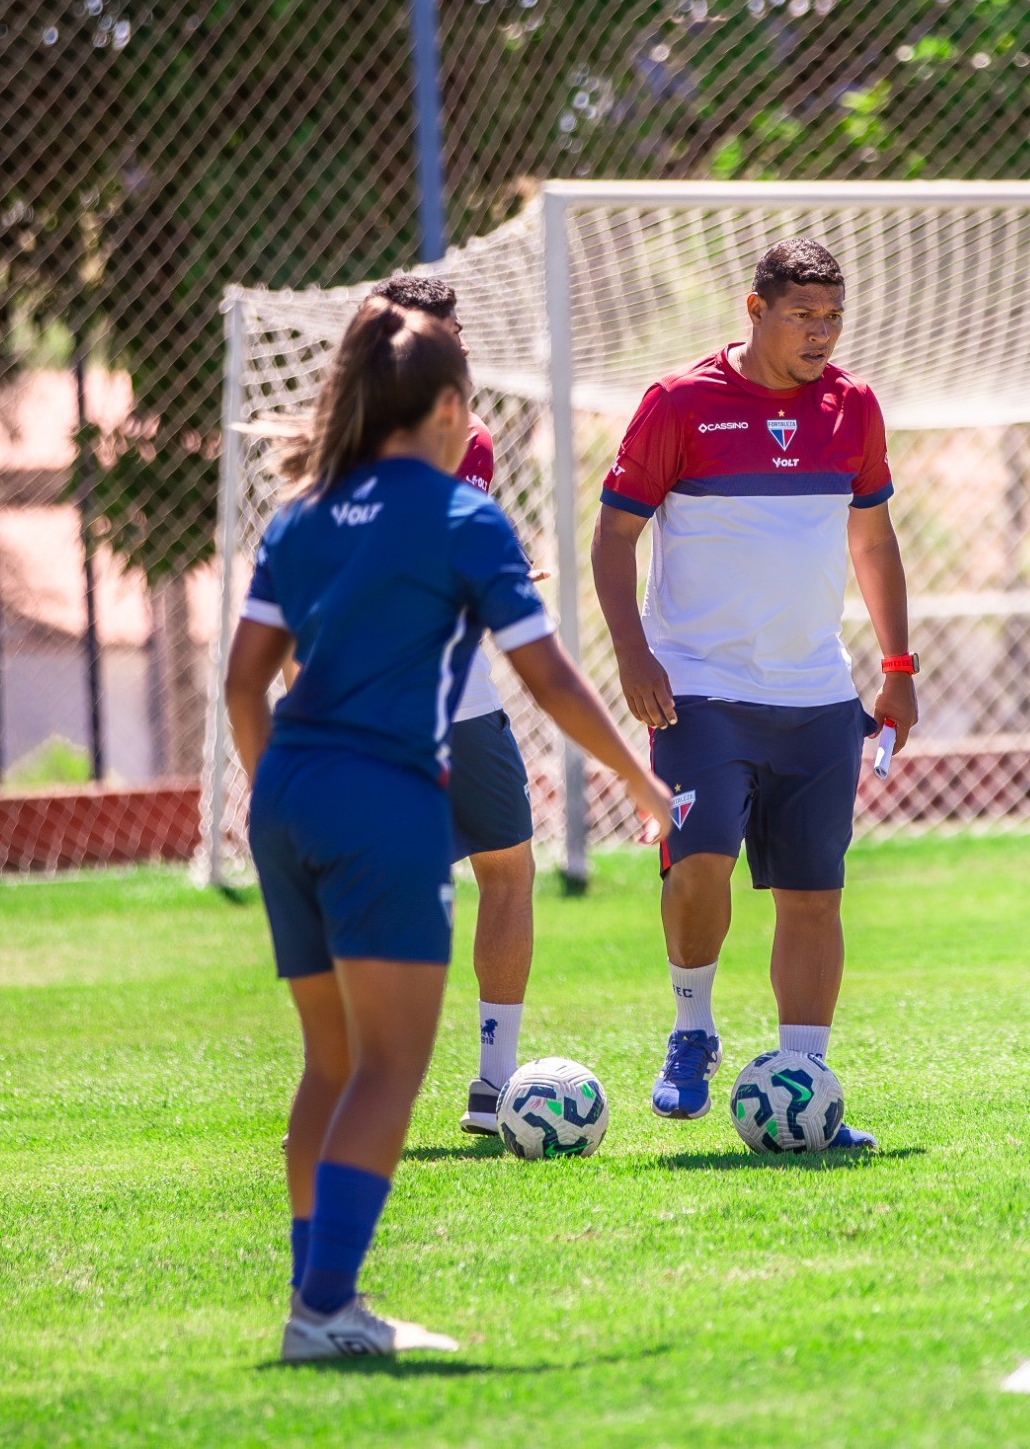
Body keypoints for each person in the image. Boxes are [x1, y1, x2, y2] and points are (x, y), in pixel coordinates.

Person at [224, 302, 670, 1361]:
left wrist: (274, 792)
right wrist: (637, 783)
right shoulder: (463, 516)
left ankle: (314, 1301)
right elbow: (548, 675)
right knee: (388, 1065)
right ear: (446, 406)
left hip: (287, 791)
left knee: (330, 1062)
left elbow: (245, 681)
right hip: (384, 798)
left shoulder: (300, 515)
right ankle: (326, 1309)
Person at [592, 238, 916, 1146]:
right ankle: (692, 1026)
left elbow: (874, 544)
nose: (821, 333)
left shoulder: (853, 408)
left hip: (815, 693)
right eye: (802, 315)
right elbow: (613, 539)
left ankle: (804, 1081)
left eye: (832, 316)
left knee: (814, 894)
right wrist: (632, 653)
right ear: (755, 309)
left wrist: (896, 669)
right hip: (698, 689)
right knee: (699, 864)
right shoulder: (681, 405)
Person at [356, 277, 543, 1139]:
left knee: (503, 872)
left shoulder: (471, 441)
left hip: (446, 704)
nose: (460, 352)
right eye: (445, 337)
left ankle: (491, 1087)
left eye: (461, 338)